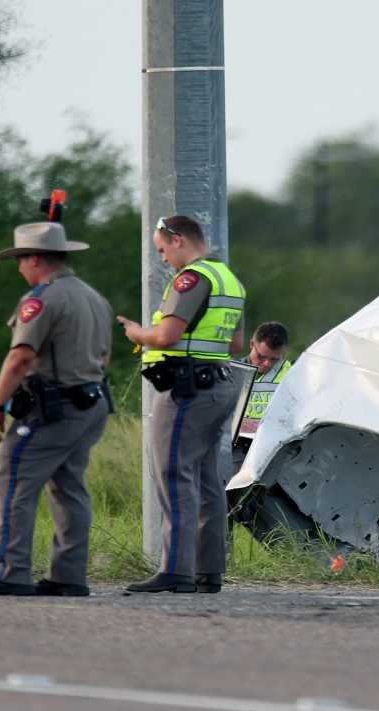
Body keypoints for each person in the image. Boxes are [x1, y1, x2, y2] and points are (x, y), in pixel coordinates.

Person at [0, 222, 114, 597]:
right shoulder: (95, 297)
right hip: (90, 404)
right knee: (69, 487)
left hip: (53, 408)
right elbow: (105, 356)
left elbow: (20, 357)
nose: (18, 268)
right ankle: (68, 576)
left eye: (19, 260)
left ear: (34, 258)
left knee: (14, 483)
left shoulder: (42, 298)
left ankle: (11, 572)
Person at [118, 214, 245, 594]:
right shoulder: (230, 280)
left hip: (187, 392)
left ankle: (175, 570)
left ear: (177, 240)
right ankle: (208, 571)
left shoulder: (192, 278)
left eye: (161, 250)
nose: (162, 259)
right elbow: (236, 344)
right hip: (218, 385)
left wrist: (137, 333)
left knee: (174, 476)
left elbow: (169, 333)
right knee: (207, 481)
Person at [232, 321, 292, 473]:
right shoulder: (232, 371)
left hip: (276, 449)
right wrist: (237, 422)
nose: (266, 364)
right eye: (262, 356)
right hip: (237, 448)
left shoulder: (294, 373)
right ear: (252, 344)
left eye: (275, 359)